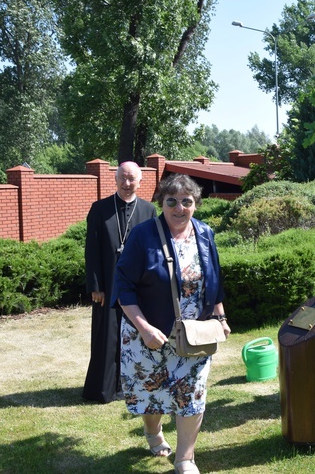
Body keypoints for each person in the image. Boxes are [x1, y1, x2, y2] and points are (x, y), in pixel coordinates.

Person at [112, 173, 230, 474]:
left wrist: (220, 315)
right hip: (148, 334)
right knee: (151, 393)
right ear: (161, 203)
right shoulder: (142, 236)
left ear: (196, 204)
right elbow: (123, 286)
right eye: (172, 202)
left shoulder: (205, 233)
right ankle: (152, 431)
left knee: (192, 392)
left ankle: (185, 459)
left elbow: (213, 280)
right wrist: (144, 328)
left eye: (187, 202)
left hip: (194, 334)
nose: (179, 208)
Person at [82, 161, 157, 404]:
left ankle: (131, 386)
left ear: (140, 181)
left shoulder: (148, 211)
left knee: (135, 337)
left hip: (138, 288)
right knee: (107, 337)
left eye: (131, 179)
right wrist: (95, 285)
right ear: (115, 180)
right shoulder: (99, 208)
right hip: (107, 284)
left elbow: (153, 251)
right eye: (122, 178)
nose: (127, 183)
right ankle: (102, 389)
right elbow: (91, 249)